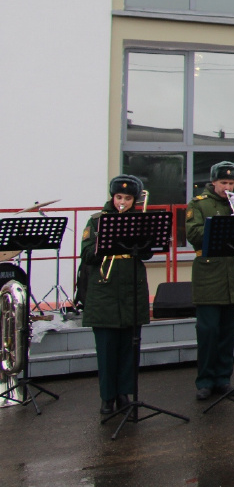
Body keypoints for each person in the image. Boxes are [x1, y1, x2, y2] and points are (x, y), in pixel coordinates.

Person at [81, 175, 152, 415]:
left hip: (132, 287)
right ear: (112, 197)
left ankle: (124, 393)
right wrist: (106, 241)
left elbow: (147, 254)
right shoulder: (97, 221)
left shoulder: (140, 220)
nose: (123, 202)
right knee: (107, 347)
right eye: (119, 197)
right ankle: (107, 396)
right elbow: (87, 255)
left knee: (129, 347)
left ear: (134, 200)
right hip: (105, 290)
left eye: (128, 198)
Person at [186, 161, 234, 400]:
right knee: (208, 331)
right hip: (209, 272)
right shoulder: (198, 204)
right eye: (223, 183)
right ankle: (205, 381)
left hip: (232, 273)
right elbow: (193, 234)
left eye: (231, 183)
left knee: (227, 332)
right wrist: (224, 225)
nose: (227, 187)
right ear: (213, 182)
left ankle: (223, 378)